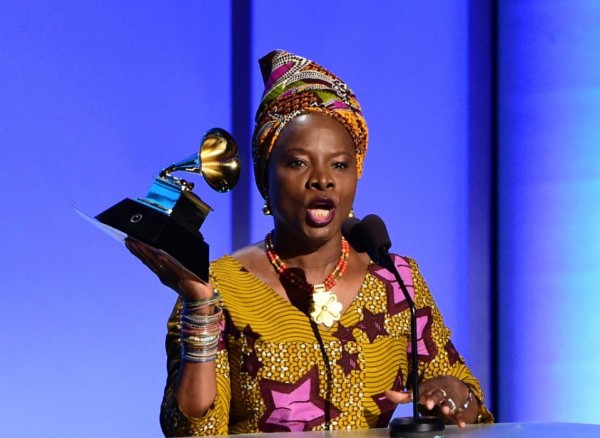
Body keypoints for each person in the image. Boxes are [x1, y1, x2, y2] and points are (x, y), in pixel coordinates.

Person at [126, 49, 494, 436]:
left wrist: (456, 397)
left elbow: (469, 406)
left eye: (339, 164)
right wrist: (201, 306)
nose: (323, 179)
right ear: (266, 177)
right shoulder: (220, 286)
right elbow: (192, 432)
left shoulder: (396, 280)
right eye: (299, 162)